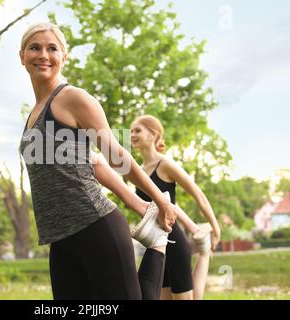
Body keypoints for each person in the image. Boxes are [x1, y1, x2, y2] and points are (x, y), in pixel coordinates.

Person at [18, 22, 178, 300]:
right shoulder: (34, 114)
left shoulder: (74, 98)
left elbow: (115, 155)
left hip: (95, 225)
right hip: (60, 237)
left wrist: (160, 201)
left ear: (63, 57)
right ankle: (156, 241)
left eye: (52, 48)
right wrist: (137, 204)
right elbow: (93, 164)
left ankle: (158, 245)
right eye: (35, 48)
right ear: (22, 56)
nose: (43, 54)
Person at [130, 115, 221, 300]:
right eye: (131, 131)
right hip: (155, 245)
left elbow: (198, 195)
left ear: (153, 135)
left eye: (137, 130)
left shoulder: (165, 165)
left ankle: (204, 252)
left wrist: (216, 226)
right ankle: (202, 245)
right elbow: (169, 205)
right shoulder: (137, 171)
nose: (132, 134)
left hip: (174, 242)